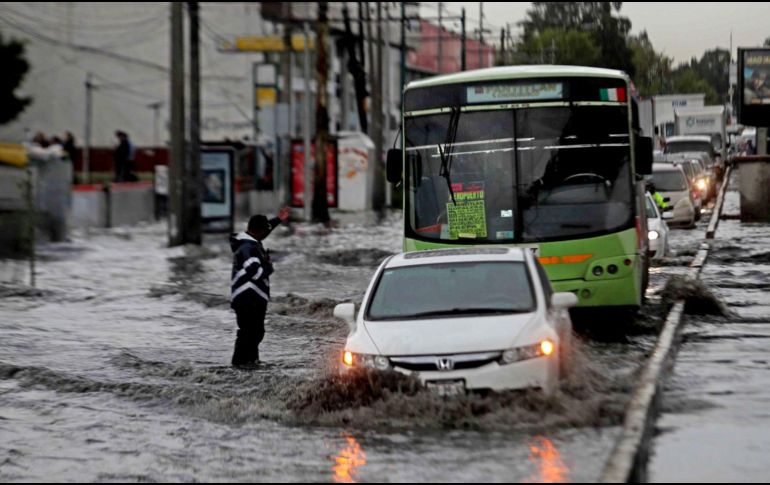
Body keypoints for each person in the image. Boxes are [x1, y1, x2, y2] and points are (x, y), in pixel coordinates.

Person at [229, 207, 291, 367]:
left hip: (249, 297)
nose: (266, 233)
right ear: (260, 231)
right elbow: (255, 273)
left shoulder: (248, 241)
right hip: (248, 298)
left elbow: (262, 231)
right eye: (265, 230)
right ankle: (240, 364)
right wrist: (269, 266)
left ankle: (251, 362)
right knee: (249, 333)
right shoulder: (249, 248)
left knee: (254, 332)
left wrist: (278, 220)